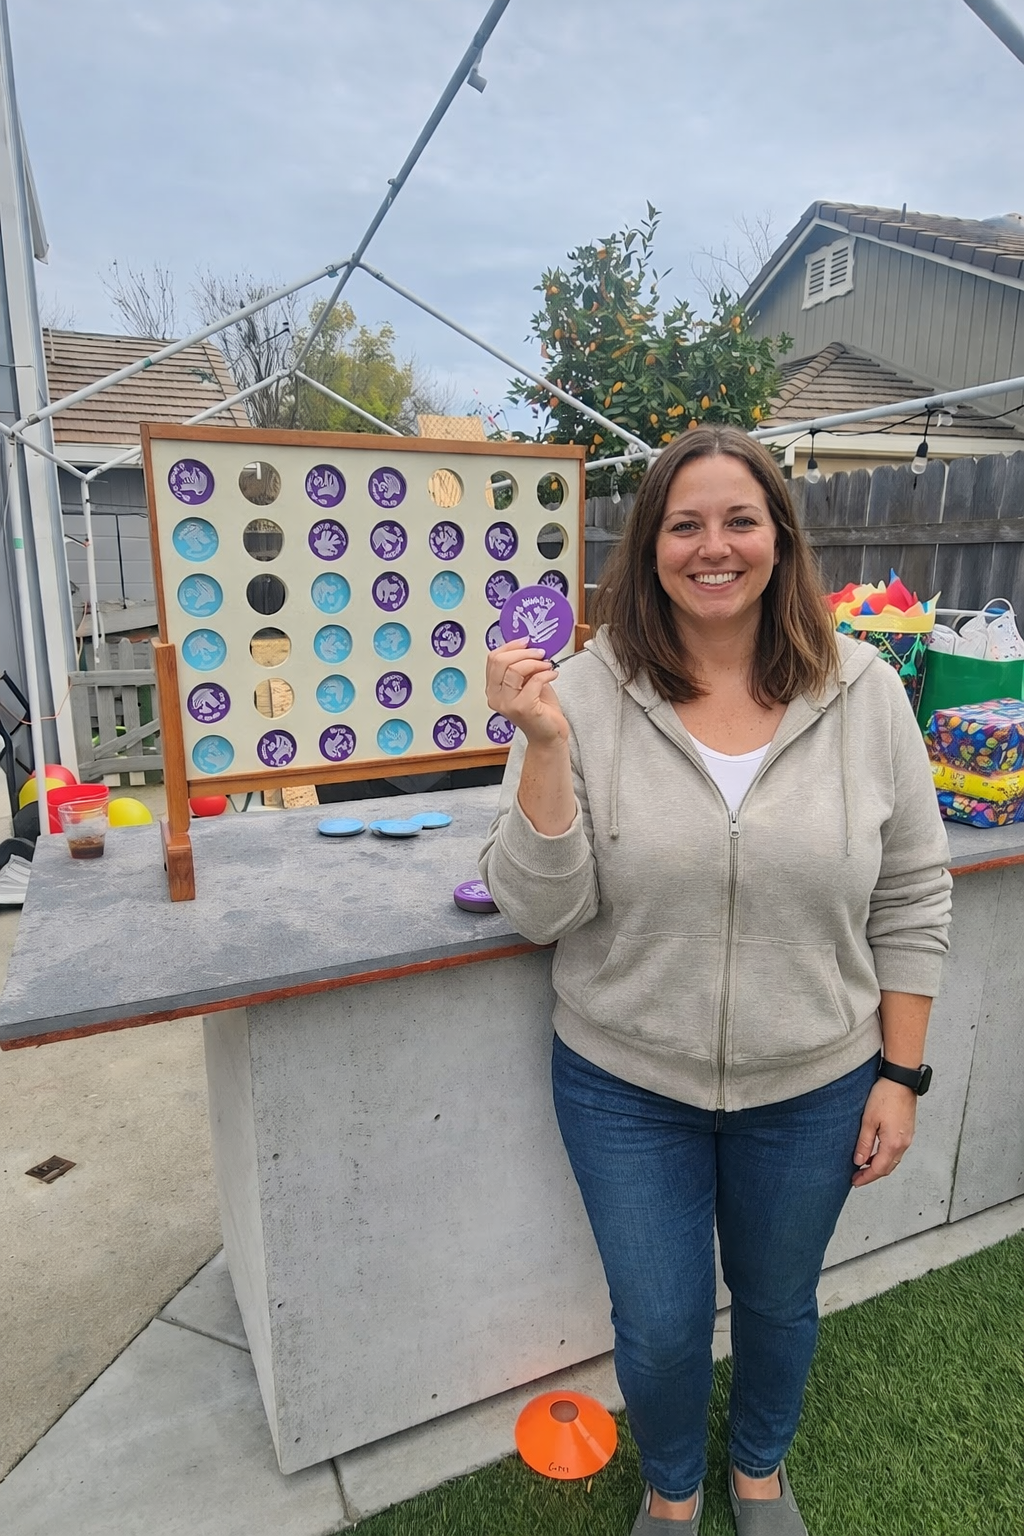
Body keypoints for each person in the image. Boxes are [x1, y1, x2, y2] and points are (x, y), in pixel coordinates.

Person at [479, 427, 951, 1535]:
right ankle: (674, 1487)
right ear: (648, 549)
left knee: (780, 1305)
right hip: (624, 1086)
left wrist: (900, 1074)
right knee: (658, 1326)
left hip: (817, 1082)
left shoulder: (866, 691)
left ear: (779, 540)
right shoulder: (582, 695)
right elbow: (540, 909)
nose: (712, 547)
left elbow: (915, 892)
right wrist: (542, 746)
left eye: (739, 520)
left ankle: (757, 1473)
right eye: (682, 524)